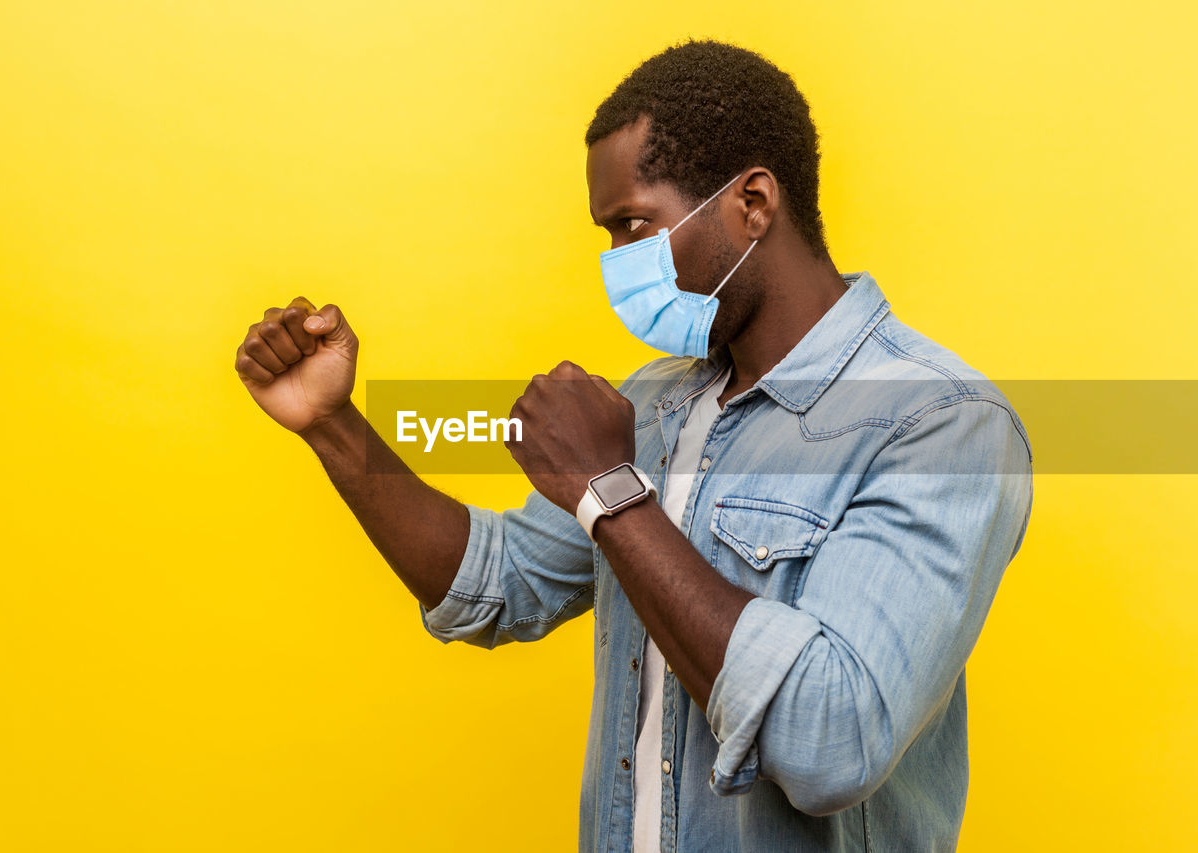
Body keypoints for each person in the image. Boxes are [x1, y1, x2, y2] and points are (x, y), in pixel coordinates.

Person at [234, 38, 1033, 853]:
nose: (618, 264)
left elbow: (829, 743)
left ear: (752, 202)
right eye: (608, 236)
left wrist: (609, 487)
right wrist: (331, 424)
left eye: (635, 225)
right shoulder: (656, 402)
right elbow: (495, 585)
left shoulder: (939, 422)